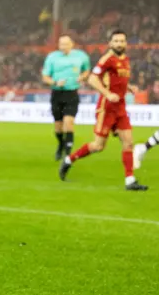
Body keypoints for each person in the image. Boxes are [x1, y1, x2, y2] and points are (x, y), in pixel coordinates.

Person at [59, 30, 148, 191]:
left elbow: (117, 79)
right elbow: (93, 78)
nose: (119, 44)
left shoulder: (126, 59)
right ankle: (69, 160)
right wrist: (107, 93)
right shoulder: (106, 59)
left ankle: (130, 180)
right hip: (106, 108)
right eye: (116, 41)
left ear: (126, 43)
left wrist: (129, 87)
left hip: (120, 107)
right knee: (98, 146)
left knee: (128, 142)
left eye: (122, 41)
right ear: (110, 43)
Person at [41, 35, 91, 160]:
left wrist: (83, 76)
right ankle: (61, 145)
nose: (63, 46)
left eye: (66, 44)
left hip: (72, 93)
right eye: (61, 44)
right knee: (58, 127)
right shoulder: (52, 57)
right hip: (57, 94)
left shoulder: (81, 56)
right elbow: (45, 77)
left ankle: (68, 153)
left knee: (68, 123)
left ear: (72, 44)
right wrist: (55, 83)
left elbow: (86, 71)